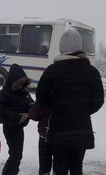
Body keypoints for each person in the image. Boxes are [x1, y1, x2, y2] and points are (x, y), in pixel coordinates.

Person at [35, 30, 104, 175]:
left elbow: (41, 98)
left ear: (62, 48)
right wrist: (82, 110)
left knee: (60, 168)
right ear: (79, 47)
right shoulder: (91, 72)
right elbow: (98, 100)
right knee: (77, 167)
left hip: (58, 130)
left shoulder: (52, 71)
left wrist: (58, 109)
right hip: (81, 129)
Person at [0, 63, 34, 175]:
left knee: (18, 154)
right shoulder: (4, 94)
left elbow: (32, 105)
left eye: (23, 84)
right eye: (19, 84)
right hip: (10, 127)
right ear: (12, 82)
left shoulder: (24, 93)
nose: (21, 86)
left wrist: (28, 114)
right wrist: (15, 116)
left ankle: (13, 172)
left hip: (20, 128)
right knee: (15, 154)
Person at [28, 101, 52, 175]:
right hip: (63, 134)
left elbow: (34, 114)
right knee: (61, 166)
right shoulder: (68, 93)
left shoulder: (44, 94)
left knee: (44, 165)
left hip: (46, 133)